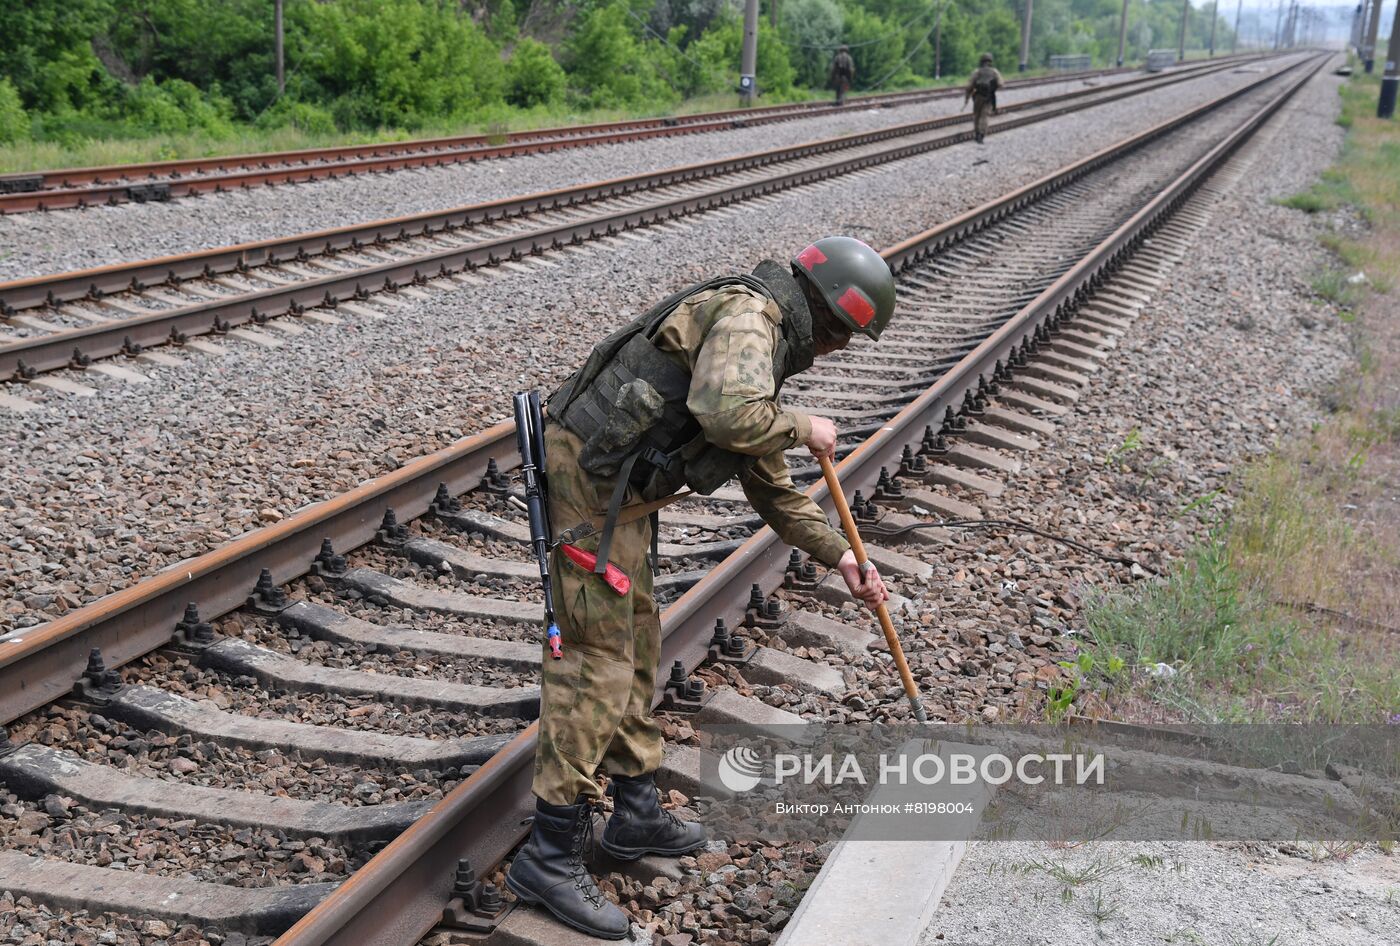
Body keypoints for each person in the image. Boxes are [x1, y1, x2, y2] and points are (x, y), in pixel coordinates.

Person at [505, 236, 897, 939]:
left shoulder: (764, 339)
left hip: (619, 495)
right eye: (846, 338)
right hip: (591, 490)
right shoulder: (751, 320)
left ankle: (633, 814)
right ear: (828, 320)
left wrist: (840, 555)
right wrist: (807, 425)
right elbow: (725, 413)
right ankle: (548, 856)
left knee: (638, 640)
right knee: (595, 661)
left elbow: (768, 481)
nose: (837, 352)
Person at [964, 52, 1004, 144]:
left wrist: (967, 98)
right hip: (989, 97)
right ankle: (981, 135)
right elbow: (1001, 83)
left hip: (978, 97)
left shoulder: (977, 72)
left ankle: (977, 133)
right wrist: (993, 88)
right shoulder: (994, 72)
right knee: (984, 116)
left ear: (981, 61)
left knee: (977, 116)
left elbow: (969, 86)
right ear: (991, 61)